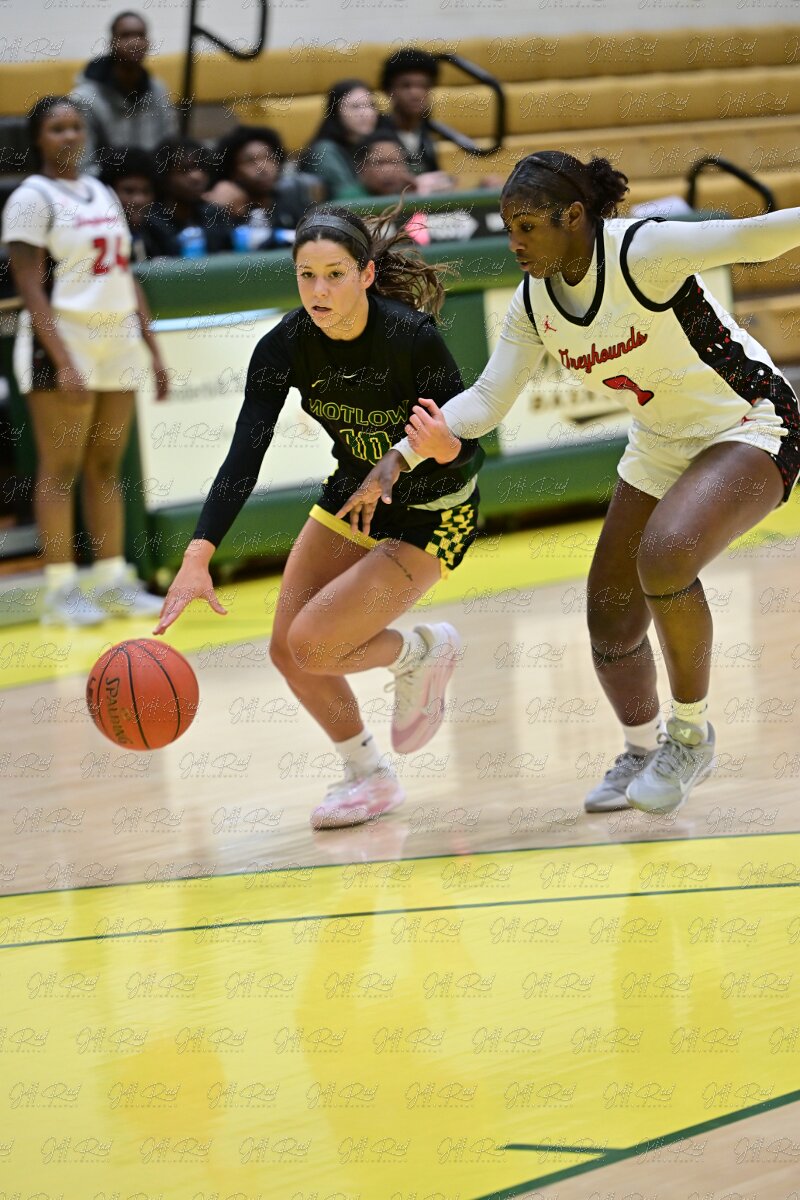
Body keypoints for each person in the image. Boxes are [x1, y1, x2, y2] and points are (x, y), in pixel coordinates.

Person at [338, 150, 800, 817]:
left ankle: (689, 736)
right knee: (609, 621)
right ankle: (640, 749)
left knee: (665, 556)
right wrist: (401, 455)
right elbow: (488, 400)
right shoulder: (534, 303)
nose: (515, 243)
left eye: (528, 227)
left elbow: (755, 237)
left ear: (574, 216)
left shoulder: (643, 251)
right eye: (510, 228)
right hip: (660, 441)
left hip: (750, 419)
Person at [153, 205, 485, 830]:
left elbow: (469, 447)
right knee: (287, 650)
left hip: (431, 509)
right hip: (352, 494)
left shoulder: (411, 337)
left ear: (365, 275)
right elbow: (245, 453)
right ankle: (368, 775)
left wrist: (445, 447)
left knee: (313, 644)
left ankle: (420, 651)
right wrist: (199, 552)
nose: (319, 291)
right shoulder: (284, 345)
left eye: (335, 275)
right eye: (307, 276)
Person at [2, 96, 169, 625]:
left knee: (105, 466)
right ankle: (59, 591)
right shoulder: (30, 198)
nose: (70, 136)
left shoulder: (101, 190)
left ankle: (113, 580)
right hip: (62, 341)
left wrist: (152, 348)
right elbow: (29, 287)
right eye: (57, 128)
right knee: (61, 468)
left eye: (76, 126)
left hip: (116, 339)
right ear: (38, 139)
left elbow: (124, 275)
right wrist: (63, 361)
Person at [70, 11, 178, 173]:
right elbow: (84, 165)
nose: (135, 43)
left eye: (140, 35)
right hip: (106, 184)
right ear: (111, 43)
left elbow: (170, 147)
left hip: (153, 181)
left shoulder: (158, 89)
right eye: (126, 35)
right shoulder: (84, 98)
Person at [205, 125, 314, 248]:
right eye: (249, 161)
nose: (263, 168)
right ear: (232, 170)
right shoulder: (223, 207)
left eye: (268, 158)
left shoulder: (291, 200)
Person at [377, 47, 453, 195]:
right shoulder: (377, 134)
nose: (416, 93)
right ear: (389, 91)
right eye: (406, 86)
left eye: (423, 86)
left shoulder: (425, 133)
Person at [297, 80, 379, 201]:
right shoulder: (324, 151)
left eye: (371, 105)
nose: (366, 113)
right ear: (336, 112)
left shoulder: (376, 144)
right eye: (355, 107)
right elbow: (349, 199)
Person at [152, 138, 233, 254]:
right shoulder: (151, 223)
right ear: (164, 177)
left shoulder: (214, 215)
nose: (197, 176)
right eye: (185, 170)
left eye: (201, 168)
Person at [101, 147, 179, 260]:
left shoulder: (159, 234)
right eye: (129, 191)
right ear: (109, 192)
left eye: (146, 191)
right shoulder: (97, 235)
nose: (139, 200)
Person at [354, 133, 417, 198]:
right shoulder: (352, 199)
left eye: (395, 162)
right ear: (362, 167)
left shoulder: (417, 193)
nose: (388, 171)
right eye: (379, 163)